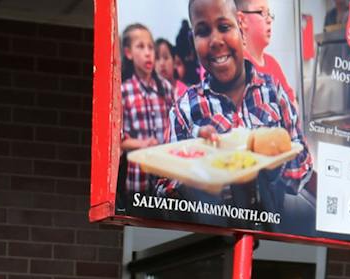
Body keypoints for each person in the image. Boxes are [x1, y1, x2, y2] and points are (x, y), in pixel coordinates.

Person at [168, 0, 311, 218]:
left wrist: (275, 165)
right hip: (211, 238)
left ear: (242, 29)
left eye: (224, 27)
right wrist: (197, 178)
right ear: (192, 41)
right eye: (203, 32)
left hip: (271, 232)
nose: (215, 41)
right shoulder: (184, 110)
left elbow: (303, 166)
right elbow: (165, 191)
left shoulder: (274, 92)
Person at [120, 22, 175, 199]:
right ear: (128, 53)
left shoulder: (166, 88)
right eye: (141, 47)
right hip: (138, 181)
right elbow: (118, 140)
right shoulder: (124, 92)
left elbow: (176, 128)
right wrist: (143, 144)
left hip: (165, 178)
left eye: (150, 47)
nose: (147, 53)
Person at [236, 1, 298, 106]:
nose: (269, 20)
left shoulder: (272, 63)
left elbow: (293, 105)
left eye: (269, 14)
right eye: (261, 12)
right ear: (242, 20)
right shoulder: (238, 65)